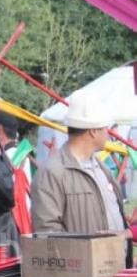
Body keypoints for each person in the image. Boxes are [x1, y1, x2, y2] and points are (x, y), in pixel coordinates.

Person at [31, 90, 127, 234]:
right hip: (84, 251)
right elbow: (47, 233)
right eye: (105, 128)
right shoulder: (51, 173)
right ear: (93, 131)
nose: (108, 134)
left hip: (116, 250)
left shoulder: (102, 168)